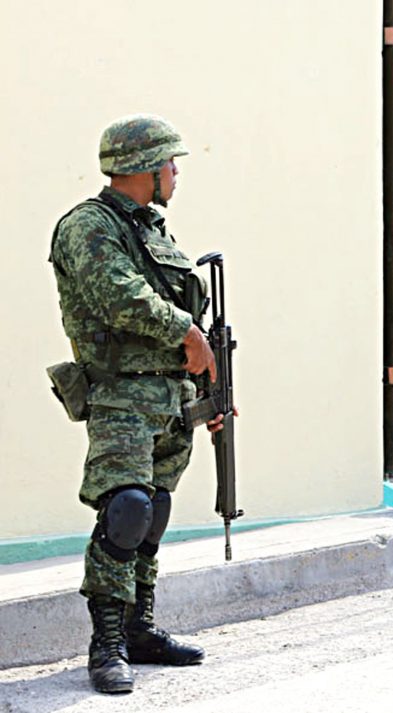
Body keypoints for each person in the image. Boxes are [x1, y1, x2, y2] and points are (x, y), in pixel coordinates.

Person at [49, 115, 217, 694]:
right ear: (145, 168)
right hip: (120, 394)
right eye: (171, 164)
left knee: (155, 512)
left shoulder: (153, 232)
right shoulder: (89, 226)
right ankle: (107, 644)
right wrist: (186, 332)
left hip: (169, 398)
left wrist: (204, 398)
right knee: (125, 511)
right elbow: (120, 295)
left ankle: (140, 629)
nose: (176, 174)